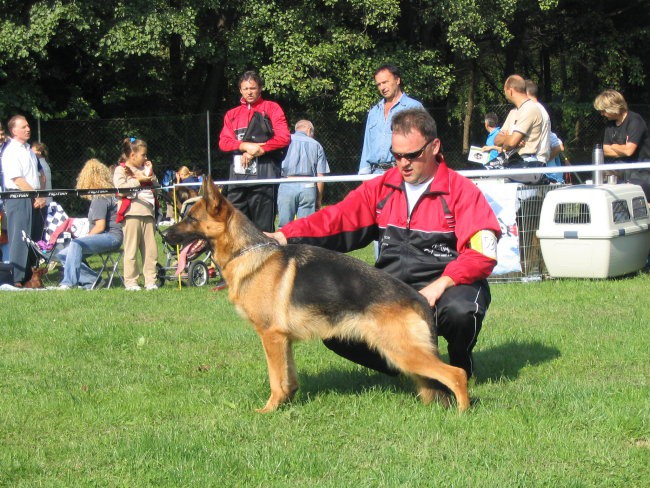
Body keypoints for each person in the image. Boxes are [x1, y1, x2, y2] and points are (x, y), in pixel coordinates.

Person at [267, 108, 501, 379]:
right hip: (392, 289)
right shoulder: (380, 188)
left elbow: (482, 254)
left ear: (435, 146)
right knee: (335, 327)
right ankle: (410, 367)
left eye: (412, 155)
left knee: (463, 311)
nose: (403, 164)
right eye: (396, 155)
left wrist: (441, 284)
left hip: (445, 286)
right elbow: (336, 219)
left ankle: (460, 364)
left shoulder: (463, 192)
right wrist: (285, 235)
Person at [218, 70, 290, 232]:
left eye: (253, 88)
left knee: (263, 230)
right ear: (240, 90)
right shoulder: (232, 114)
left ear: (260, 88)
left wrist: (259, 150)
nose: (249, 92)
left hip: (263, 178)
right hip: (237, 179)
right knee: (235, 228)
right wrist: (244, 146)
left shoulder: (272, 108)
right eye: (245, 89)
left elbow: (284, 137)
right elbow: (224, 142)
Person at [56, 159, 123, 289]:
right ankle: (94, 281)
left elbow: (100, 227)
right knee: (63, 254)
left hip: (111, 237)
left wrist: (84, 237)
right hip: (112, 237)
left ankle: (68, 283)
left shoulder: (100, 197)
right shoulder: (107, 194)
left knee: (76, 244)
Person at [1, 115, 46, 286]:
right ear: (13, 131)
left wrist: (41, 195)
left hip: (33, 198)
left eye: (28, 126)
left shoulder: (29, 149)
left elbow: (40, 176)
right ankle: (17, 279)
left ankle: (31, 276)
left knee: (33, 238)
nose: (28, 129)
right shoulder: (11, 151)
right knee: (20, 237)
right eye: (24, 127)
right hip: (18, 198)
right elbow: (17, 179)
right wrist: (36, 195)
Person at [358, 64, 423, 175]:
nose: (382, 87)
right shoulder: (374, 112)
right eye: (378, 84)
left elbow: (424, 144)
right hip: (375, 175)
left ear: (397, 80)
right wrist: (364, 176)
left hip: (402, 172)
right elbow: (367, 147)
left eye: (385, 82)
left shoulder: (414, 107)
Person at [113, 138, 159, 291]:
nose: (146, 158)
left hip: (148, 214)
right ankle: (131, 282)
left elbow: (157, 187)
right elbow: (121, 187)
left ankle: (151, 280)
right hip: (131, 214)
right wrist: (138, 181)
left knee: (151, 251)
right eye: (143, 155)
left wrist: (150, 175)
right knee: (131, 250)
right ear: (132, 155)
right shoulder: (121, 170)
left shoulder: (145, 169)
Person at [594, 89, 650, 198]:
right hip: (619, 171)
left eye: (604, 110)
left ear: (613, 107)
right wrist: (622, 148)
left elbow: (629, 151)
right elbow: (605, 150)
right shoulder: (610, 125)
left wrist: (614, 146)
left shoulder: (635, 121)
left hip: (641, 172)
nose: (602, 114)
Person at [277, 120, 331, 228]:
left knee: (284, 227)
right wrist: (319, 199)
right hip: (308, 186)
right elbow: (320, 175)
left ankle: (285, 244)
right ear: (309, 130)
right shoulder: (317, 145)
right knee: (306, 228)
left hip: (286, 184)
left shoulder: (285, 141)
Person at [495, 75, 550, 165]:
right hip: (512, 161)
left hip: (526, 162)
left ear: (511, 91)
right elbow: (496, 140)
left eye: (505, 90)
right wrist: (510, 138)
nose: (504, 93)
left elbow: (511, 143)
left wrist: (508, 140)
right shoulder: (513, 112)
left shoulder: (530, 108)